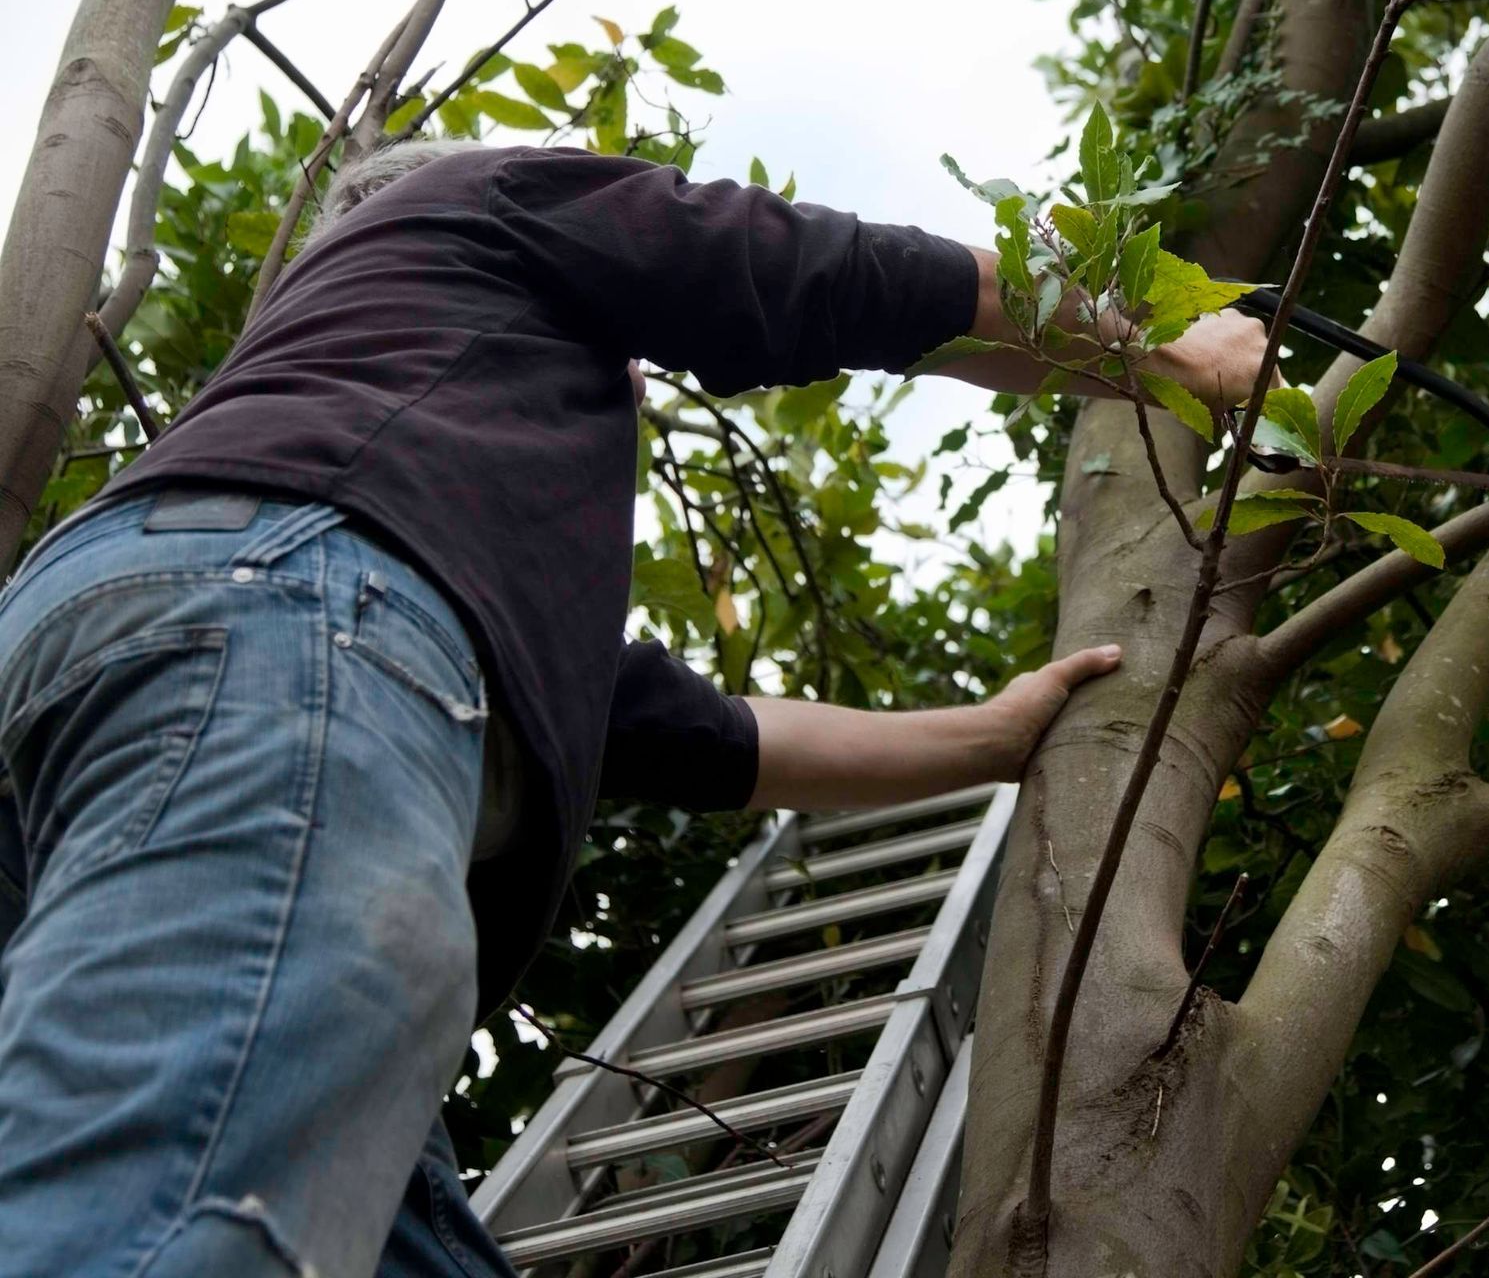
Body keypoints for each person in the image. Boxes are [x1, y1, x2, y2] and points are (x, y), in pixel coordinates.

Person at [0, 142, 1268, 1278]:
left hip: (120, 661)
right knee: (184, 1197)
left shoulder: (456, 542)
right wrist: (1166, 356)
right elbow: (797, 266)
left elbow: (705, 735)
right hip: (290, 617)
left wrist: (988, 740)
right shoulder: (478, 194)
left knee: (273, 1156)